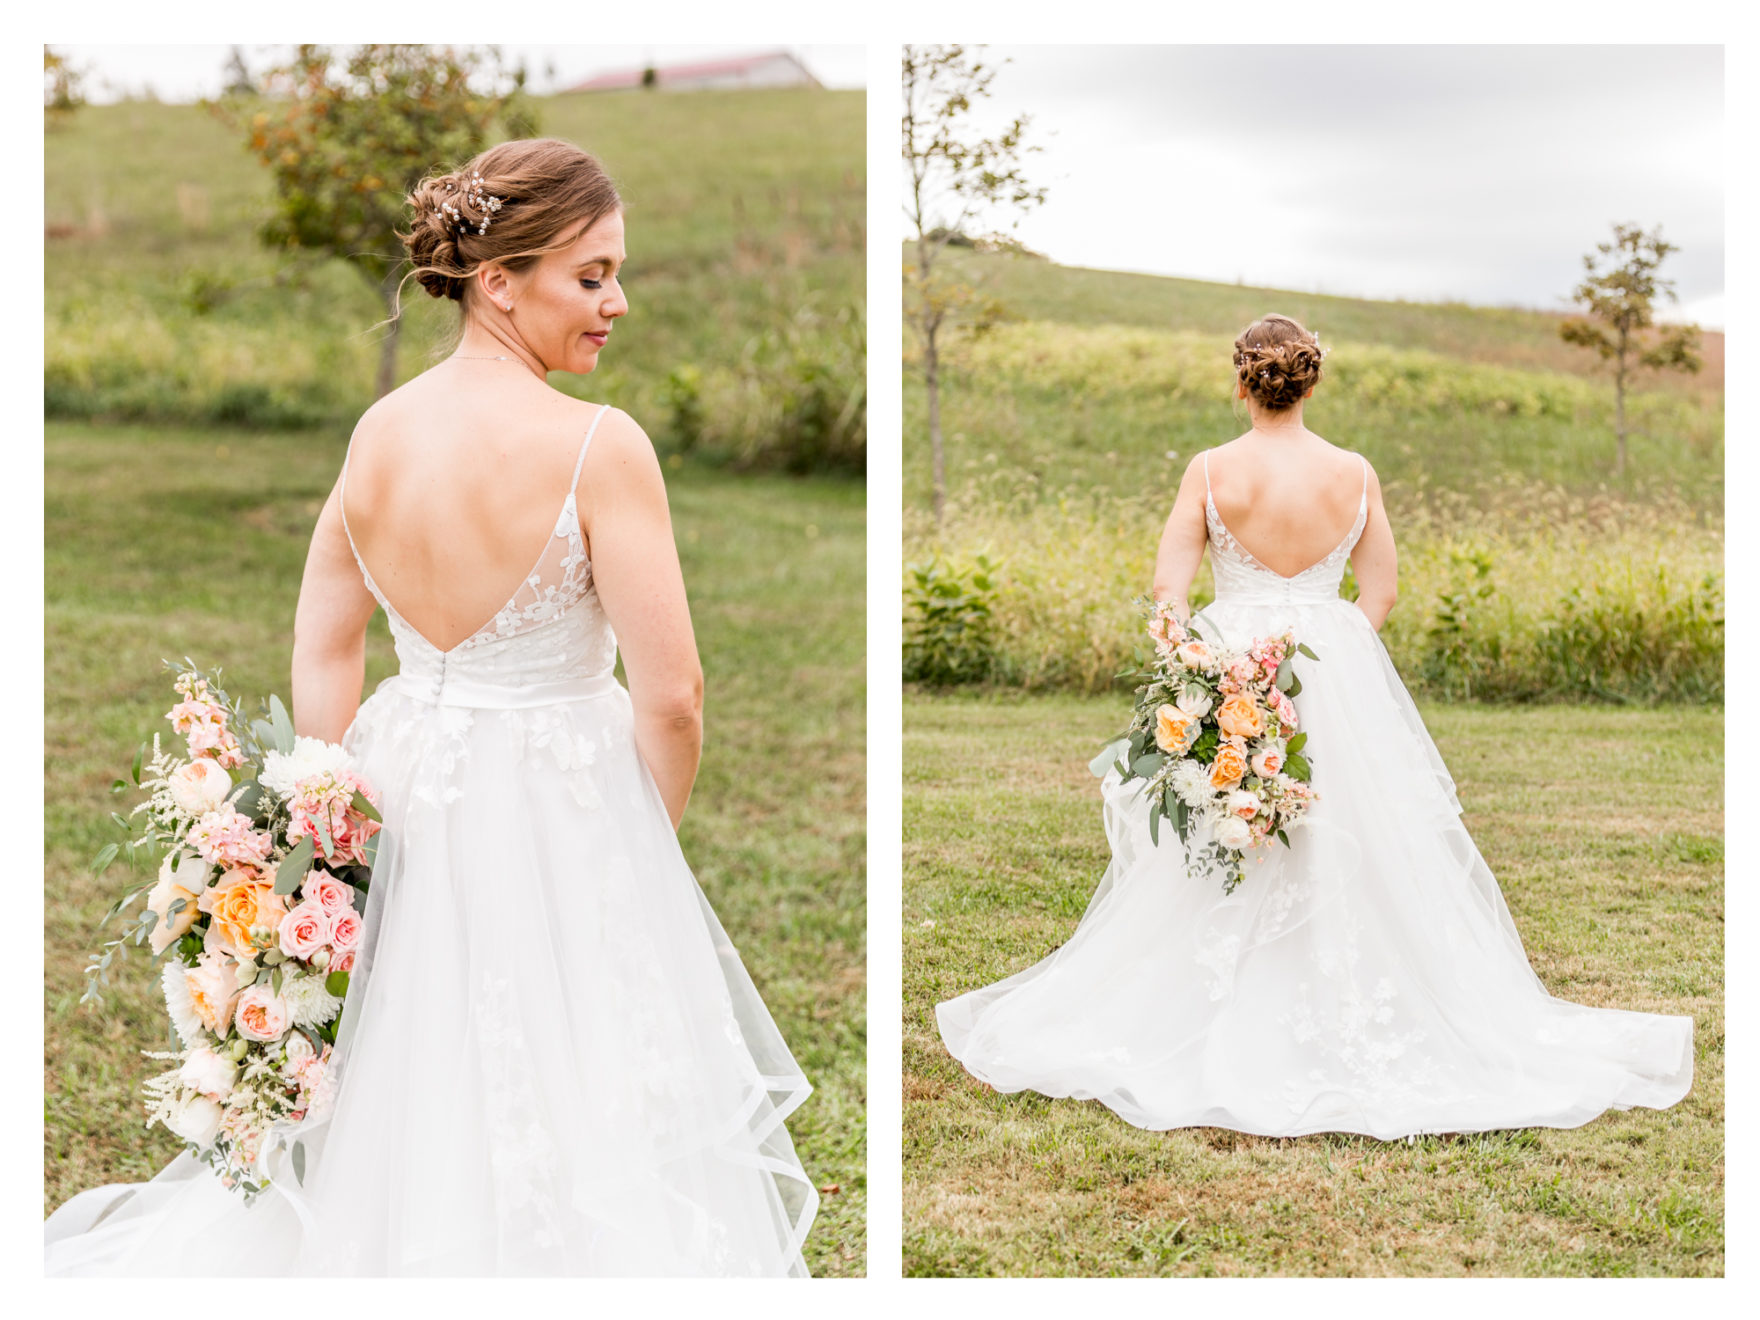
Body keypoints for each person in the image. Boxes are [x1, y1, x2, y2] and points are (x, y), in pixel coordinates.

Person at [45, 138, 816, 1276]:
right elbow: (674, 695)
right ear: (498, 280)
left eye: (615, 274)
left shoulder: (380, 433)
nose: (618, 301)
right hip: (566, 791)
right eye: (590, 275)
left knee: (415, 1058)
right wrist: (630, 847)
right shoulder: (598, 447)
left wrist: (330, 796)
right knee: (574, 1069)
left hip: (402, 777)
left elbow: (325, 635)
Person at [935, 313, 1693, 1138]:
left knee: (1226, 823)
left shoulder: (1211, 468)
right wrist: (1338, 655)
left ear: (1242, 380)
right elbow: (1382, 594)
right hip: (1333, 671)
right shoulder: (1353, 471)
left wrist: (1206, 673)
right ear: (1310, 380)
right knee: (1350, 831)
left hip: (1233, 663)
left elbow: (1168, 591)